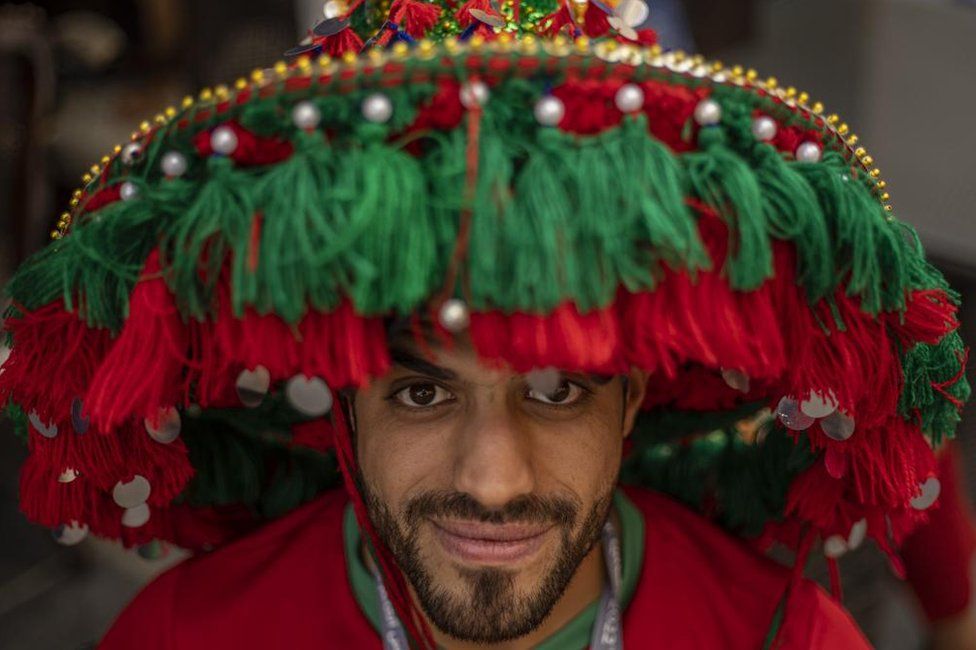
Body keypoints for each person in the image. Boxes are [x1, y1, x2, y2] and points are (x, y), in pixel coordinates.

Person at [0, 0, 970, 647]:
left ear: (632, 397)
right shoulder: (187, 636)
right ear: (341, 396)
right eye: (419, 389)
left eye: (558, 389)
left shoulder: (783, 638)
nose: (491, 480)